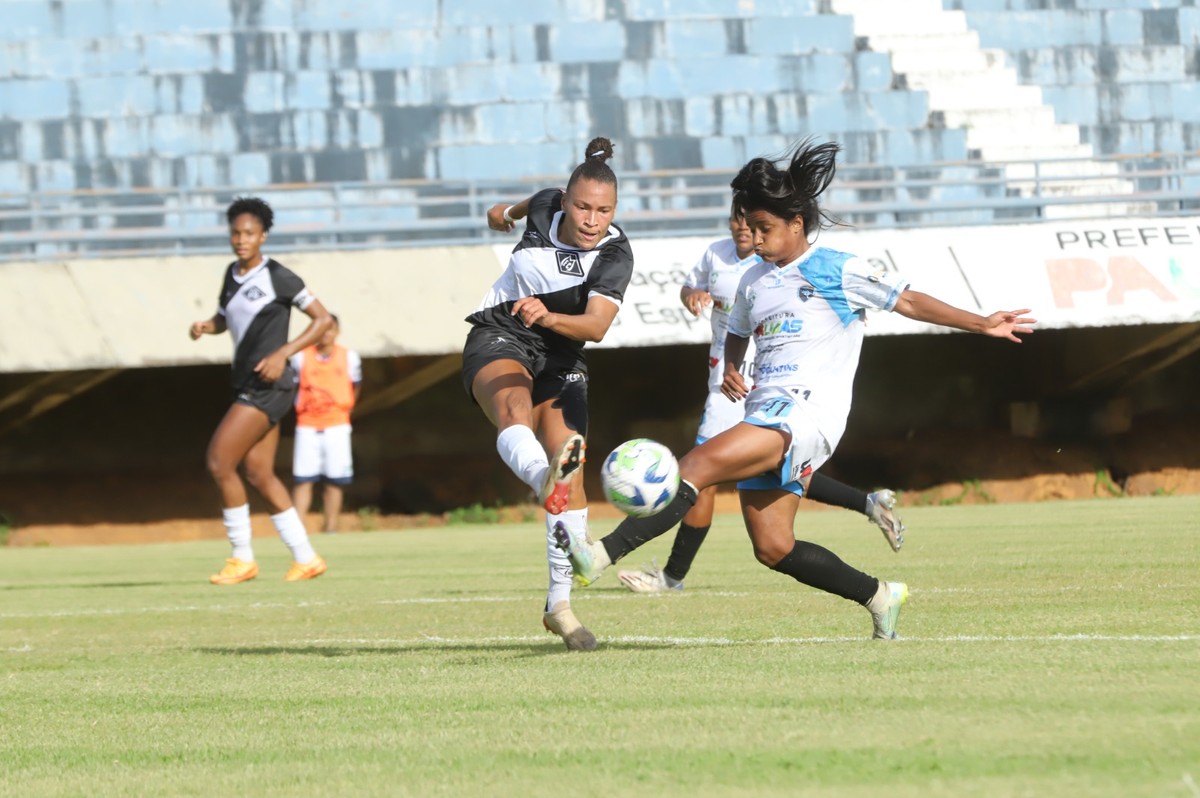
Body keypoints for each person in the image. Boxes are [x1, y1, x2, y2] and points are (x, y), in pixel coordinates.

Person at [557, 139, 1035, 639]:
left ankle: (600, 554)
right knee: (772, 546)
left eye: (765, 229)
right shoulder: (753, 281)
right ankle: (880, 595)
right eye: (750, 227)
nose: (756, 239)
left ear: (797, 224)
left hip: (807, 415)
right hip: (764, 410)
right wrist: (732, 367)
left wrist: (980, 323)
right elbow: (738, 327)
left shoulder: (837, 269)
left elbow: (908, 302)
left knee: (696, 467)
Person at [616, 207, 906, 595]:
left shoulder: (780, 263)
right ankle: (868, 505)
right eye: (740, 222)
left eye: (754, 223)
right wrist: (693, 295)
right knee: (765, 480)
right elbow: (697, 295)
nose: (745, 230)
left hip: (775, 385)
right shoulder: (716, 256)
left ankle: (670, 574)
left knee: (700, 472)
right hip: (728, 382)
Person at [461, 136, 633, 651]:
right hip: (502, 330)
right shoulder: (544, 204)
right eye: (582, 206)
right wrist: (501, 215)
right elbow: (509, 210)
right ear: (565, 201)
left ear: (614, 211)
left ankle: (559, 605)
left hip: (563, 349)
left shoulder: (615, 254)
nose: (591, 219)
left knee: (571, 466)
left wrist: (550, 315)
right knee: (513, 408)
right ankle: (543, 480)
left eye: (603, 210)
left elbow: (597, 326)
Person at [189, 196, 333, 585]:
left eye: (249, 233)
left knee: (219, 462)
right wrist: (207, 325)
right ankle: (306, 558)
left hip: (271, 384)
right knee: (258, 473)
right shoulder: (231, 273)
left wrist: (282, 353)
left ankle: (241, 558)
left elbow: (322, 319)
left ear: (263, 236)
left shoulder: (278, 276)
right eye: (235, 233)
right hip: (248, 382)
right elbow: (227, 316)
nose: (241, 239)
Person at [290, 314, 362, 534]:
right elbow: (293, 386)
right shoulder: (300, 358)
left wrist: (346, 407)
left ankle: (330, 527)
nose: (326, 334)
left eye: (330, 329)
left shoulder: (349, 357)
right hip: (307, 424)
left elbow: (355, 385)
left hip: (337, 425)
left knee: (335, 480)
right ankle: (297, 530)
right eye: (321, 329)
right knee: (303, 479)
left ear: (337, 332)